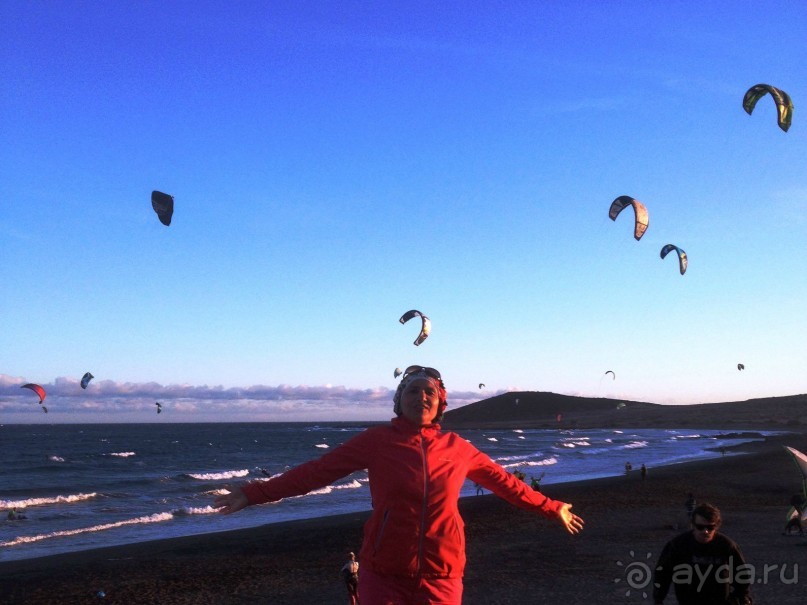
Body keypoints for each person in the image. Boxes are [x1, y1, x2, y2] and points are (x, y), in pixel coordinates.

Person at [214, 365, 584, 604]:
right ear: (399, 401)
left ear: (440, 402)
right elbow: (316, 472)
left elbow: (507, 484)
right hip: (383, 575)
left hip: (442, 575)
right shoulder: (376, 441)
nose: (421, 396)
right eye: (412, 391)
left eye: (429, 392)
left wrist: (552, 507)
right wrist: (252, 493)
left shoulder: (459, 449)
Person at [653, 503, 752, 605]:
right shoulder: (678, 546)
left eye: (710, 527)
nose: (705, 531)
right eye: (700, 527)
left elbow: (741, 574)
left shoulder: (727, 546)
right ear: (692, 525)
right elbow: (663, 573)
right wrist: (658, 599)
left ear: (717, 526)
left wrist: (743, 598)